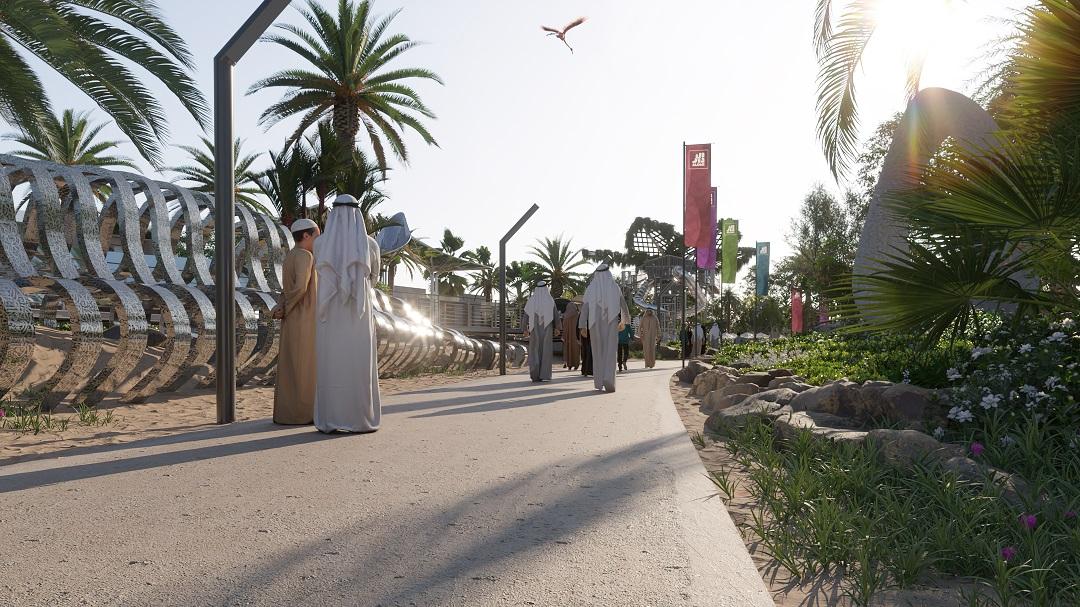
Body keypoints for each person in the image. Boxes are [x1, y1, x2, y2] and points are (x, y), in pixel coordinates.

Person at [313, 194, 382, 433]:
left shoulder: (320, 244)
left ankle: (331, 419)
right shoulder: (370, 244)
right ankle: (358, 417)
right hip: (359, 315)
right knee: (357, 363)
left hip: (329, 315)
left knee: (332, 364)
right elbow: (375, 278)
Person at [272, 218, 320, 425]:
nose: (319, 240)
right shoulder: (305, 256)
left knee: (291, 368)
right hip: (304, 316)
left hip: (293, 316)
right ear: (307, 236)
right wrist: (287, 307)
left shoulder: (290, 255)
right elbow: (300, 287)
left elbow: (287, 289)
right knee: (304, 367)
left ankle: (287, 414)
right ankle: (303, 414)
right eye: (317, 235)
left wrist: (283, 307)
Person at [578, 264, 629, 392]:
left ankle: (599, 381)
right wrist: (624, 321)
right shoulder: (614, 287)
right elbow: (623, 305)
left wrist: (582, 325)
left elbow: (585, 308)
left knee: (598, 352)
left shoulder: (591, 288)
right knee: (610, 351)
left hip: (595, 324)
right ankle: (609, 380)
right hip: (610, 322)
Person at [523, 279, 560, 382]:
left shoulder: (532, 300)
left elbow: (525, 315)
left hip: (535, 328)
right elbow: (556, 314)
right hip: (546, 327)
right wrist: (557, 327)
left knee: (535, 350)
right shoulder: (549, 299)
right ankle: (544, 375)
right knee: (545, 351)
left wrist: (524, 328)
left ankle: (535, 375)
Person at [561, 301, 581, 370]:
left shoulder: (565, 316)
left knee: (568, 350)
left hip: (568, 337)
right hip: (576, 336)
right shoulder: (578, 315)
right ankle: (576, 364)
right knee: (576, 350)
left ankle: (569, 364)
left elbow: (564, 327)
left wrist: (563, 336)